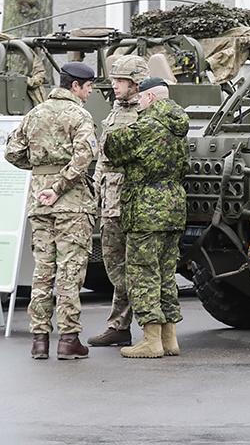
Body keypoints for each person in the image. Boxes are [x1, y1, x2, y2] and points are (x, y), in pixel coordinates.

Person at [4, 62, 98, 360]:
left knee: (43, 271)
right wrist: (58, 185)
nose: (91, 90)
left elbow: (12, 152)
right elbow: (84, 158)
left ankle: (39, 339)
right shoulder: (80, 115)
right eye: (88, 86)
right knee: (70, 272)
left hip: (39, 201)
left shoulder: (35, 113)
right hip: (71, 203)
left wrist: (42, 173)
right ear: (75, 86)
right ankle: (68, 339)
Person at [105, 76, 189, 358]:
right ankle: (169, 339)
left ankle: (150, 341)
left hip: (145, 209)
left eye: (140, 98)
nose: (137, 103)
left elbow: (112, 147)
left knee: (142, 273)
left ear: (151, 98)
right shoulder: (179, 126)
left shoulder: (146, 126)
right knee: (166, 275)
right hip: (174, 207)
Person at [88, 55, 150, 347]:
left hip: (132, 198)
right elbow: (103, 154)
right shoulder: (116, 109)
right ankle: (119, 325)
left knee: (137, 264)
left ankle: (145, 327)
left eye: (120, 81)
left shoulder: (147, 111)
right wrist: (97, 191)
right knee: (114, 263)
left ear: (135, 83)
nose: (113, 85)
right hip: (110, 198)